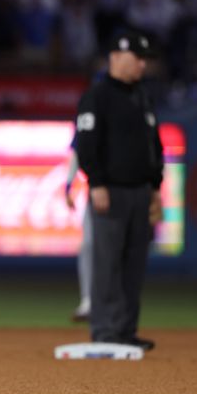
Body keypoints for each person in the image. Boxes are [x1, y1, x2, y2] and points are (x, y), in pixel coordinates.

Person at [75, 29, 163, 352]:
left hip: (140, 192)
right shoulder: (96, 96)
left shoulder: (142, 96)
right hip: (109, 191)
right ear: (115, 57)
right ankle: (104, 330)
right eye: (136, 57)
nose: (142, 64)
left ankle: (126, 330)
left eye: (144, 59)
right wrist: (95, 182)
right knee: (107, 262)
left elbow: (154, 145)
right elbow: (86, 145)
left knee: (133, 264)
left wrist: (155, 186)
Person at [64, 134, 92, 322]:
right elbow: (77, 150)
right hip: (98, 189)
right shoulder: (91, 109)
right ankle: (88, 301)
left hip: (129, 188)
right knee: (88, 246)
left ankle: (119, 305)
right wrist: (68, 184)